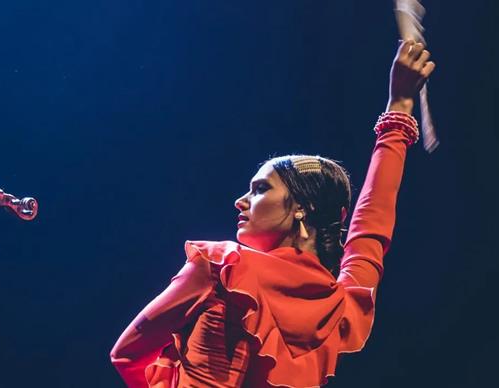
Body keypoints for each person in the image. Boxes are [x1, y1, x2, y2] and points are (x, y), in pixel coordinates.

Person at [110, 39, 436, 387]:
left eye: (260, 189)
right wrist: (399, 107)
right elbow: (371, 228)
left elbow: (127, 354)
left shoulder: (221, 269)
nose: (240, 200)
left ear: (301, 208)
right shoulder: (338, 305)